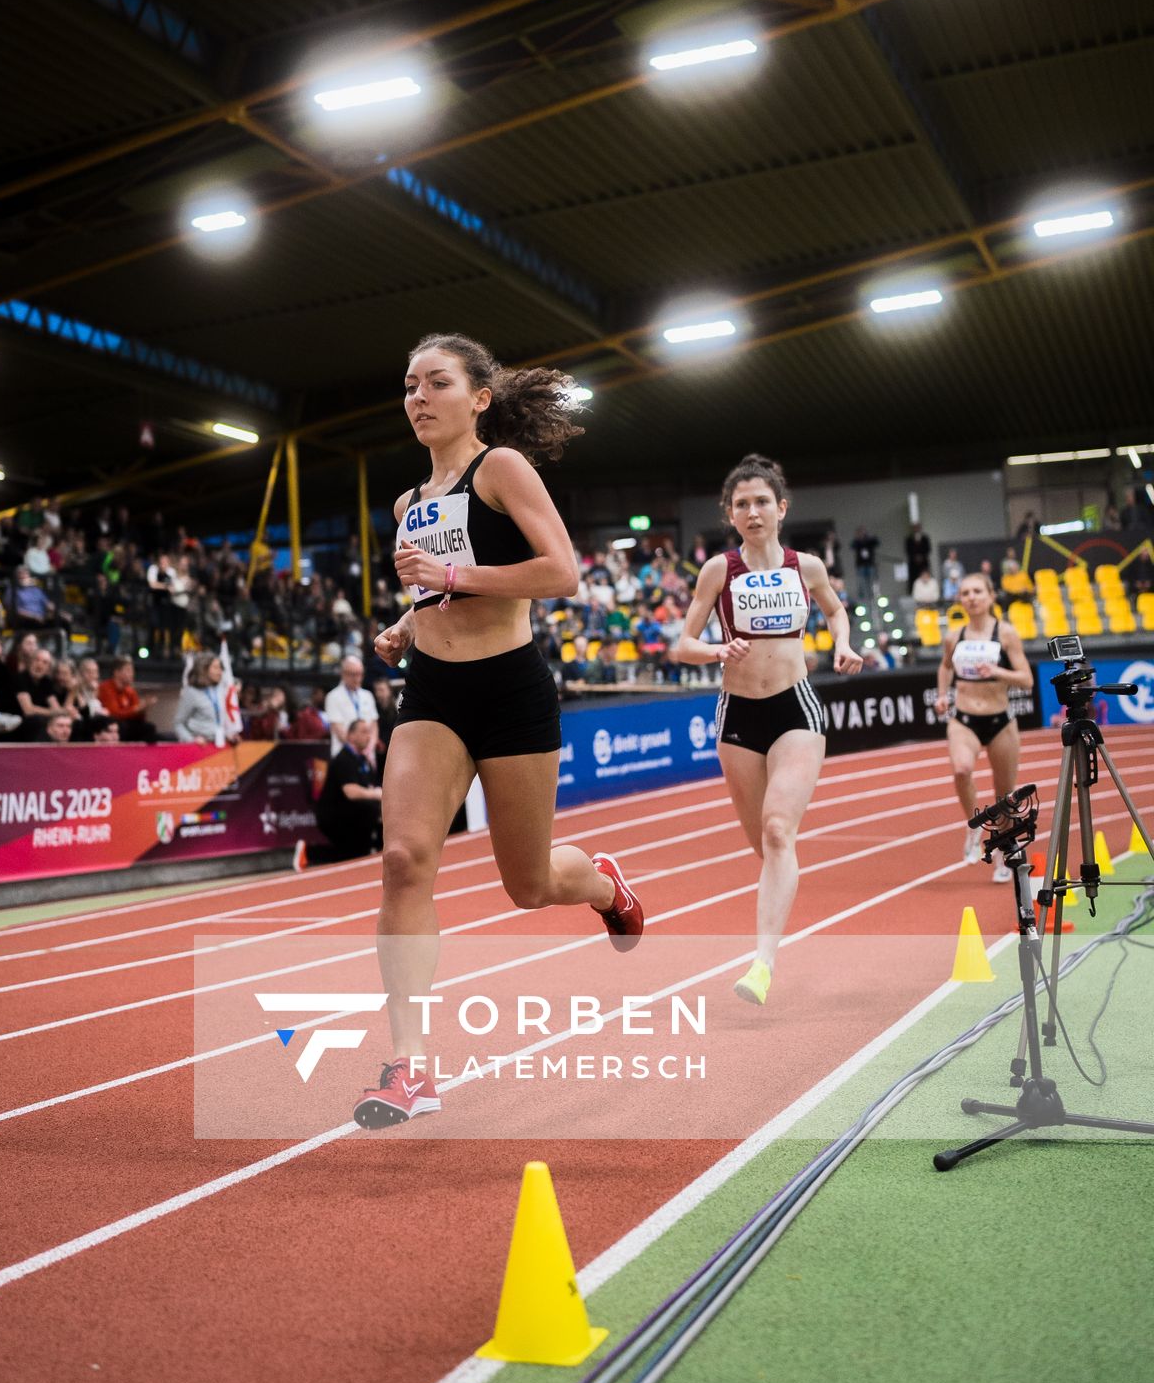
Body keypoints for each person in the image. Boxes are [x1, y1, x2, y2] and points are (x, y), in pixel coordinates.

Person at [352, 332, 643, 1131]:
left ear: (478, 397)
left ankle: (605, 884)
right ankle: (409, 1068)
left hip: (510, 691)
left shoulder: (503, 469)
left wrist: (453, 577)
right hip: (433, 694)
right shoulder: (410, 504)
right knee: (406, 860)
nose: (416, 397)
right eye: (408, 384)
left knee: (530, 885)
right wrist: (406, 627)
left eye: (435, 382)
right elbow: (436, 595)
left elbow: (561, 572)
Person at [676, 454, 862, 1007]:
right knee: (764, 844)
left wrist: (844, 644)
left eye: (761, 502)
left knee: (779, 830)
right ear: (730, 515)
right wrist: (715, 649)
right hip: (737, 714)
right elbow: (682, 644)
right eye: (741, 504)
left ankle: (762, 964)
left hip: (794, 708)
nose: (752, 512)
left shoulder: (806, 567)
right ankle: (779, 900)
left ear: (781, 509)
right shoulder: (718, 571)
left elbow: (835, 610)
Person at [935, 573, 1034, 884]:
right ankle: (974, 824)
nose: (971, 597)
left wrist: (996, 671)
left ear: (991, 596)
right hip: (964, 718)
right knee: (962, 770)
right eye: (965, 592)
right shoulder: (954, 635)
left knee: (1004, 794)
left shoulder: (1006, 634)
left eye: (978, 591)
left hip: (1000, 720)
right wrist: (942, 695)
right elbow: (945, 666)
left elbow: (1027, 679)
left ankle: (1004, 853)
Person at [316, 717, 383, 859]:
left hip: (350, 812)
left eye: (369, 732)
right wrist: (376, 794)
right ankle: (311, 853)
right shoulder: (344, 759)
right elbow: (351, 792)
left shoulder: (363, 759)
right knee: (371, 808)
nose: (368, 736)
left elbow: (369, 785)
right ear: (351, 736)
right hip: (335, 815)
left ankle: (374, 846)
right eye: (364, 732)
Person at [174, 651, 237, 744]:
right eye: (216, 668)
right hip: (198, 749)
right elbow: (178, 724)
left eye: (221, 668)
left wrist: (227, 735)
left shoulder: (220, 691)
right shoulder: (191, 692)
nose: (220, 672)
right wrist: (191, 740)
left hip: (217, 746)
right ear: (203, 669)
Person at [324, 654, 377, 758]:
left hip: (368, 755)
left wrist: (369, 748)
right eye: (353, 674)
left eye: (360, 674)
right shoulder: (332, 697)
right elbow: (339, 730)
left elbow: (374, 726)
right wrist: (358, 749)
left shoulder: (368, 695)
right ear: (344, 674)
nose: (357, 678)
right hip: (344, 755)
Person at [98, 654, 159, 742]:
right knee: (121, 726)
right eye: (128, 670)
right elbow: (114, 714)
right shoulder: (106, 688)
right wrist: (136, 709)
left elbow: (138, 716)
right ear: (116, 672)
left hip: (128, 724)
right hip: (112, 725)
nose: (132, 674)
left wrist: (144, 708)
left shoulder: (130, 690)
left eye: (132, 671)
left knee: (149, 727)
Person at [851, 526, 879, 607]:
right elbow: (852, 545)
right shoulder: (857, 542)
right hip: (861, 565)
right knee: (862, 582)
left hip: (870, 564)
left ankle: (872, 597)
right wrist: (858, 539)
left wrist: (869, 537)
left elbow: (877, 542)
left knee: (871, 581)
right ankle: (863, 598)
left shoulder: (869, 541)